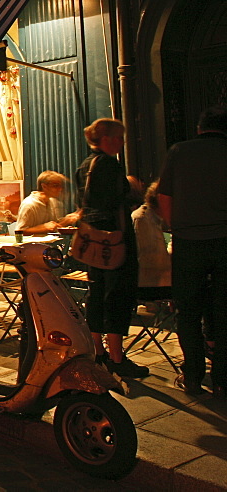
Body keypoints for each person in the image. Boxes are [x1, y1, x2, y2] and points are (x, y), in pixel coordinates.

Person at [157, 106, 227, 397]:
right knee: (224, 310)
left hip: (189, 242)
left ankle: (194, 376)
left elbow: (164, 195)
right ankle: (223, 379)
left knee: (187, 312)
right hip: (224, 240)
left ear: (199, 128)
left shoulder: (179, 151)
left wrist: (176, 227)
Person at [75, 118, 148, 378]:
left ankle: (98, 352)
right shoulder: (109, 165)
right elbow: (116, 200)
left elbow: (85, 201)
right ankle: (117, 357)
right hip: (114, 239)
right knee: (118, 295)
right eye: (119, 137)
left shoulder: (85, 166)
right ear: (107, 139)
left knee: (96, 292)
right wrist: (133, 190)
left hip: (92, 241)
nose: (122, 142)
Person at [132, 182, 172, 296]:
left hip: (158, 281)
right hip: (152, 285)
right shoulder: (143, 219)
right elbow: (153, 260)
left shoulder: (152, 218)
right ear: (161, 200)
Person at [15, 171, 79, 235]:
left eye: (60, 185)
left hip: (50, 243)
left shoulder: (53, 202)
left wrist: (66, 220)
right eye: (55, 185)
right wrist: (42, 228)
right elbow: (20, 231)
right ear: (44, 186)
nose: (60, 189)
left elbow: (52, 226)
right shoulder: (29, 205)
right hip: (33, 244)